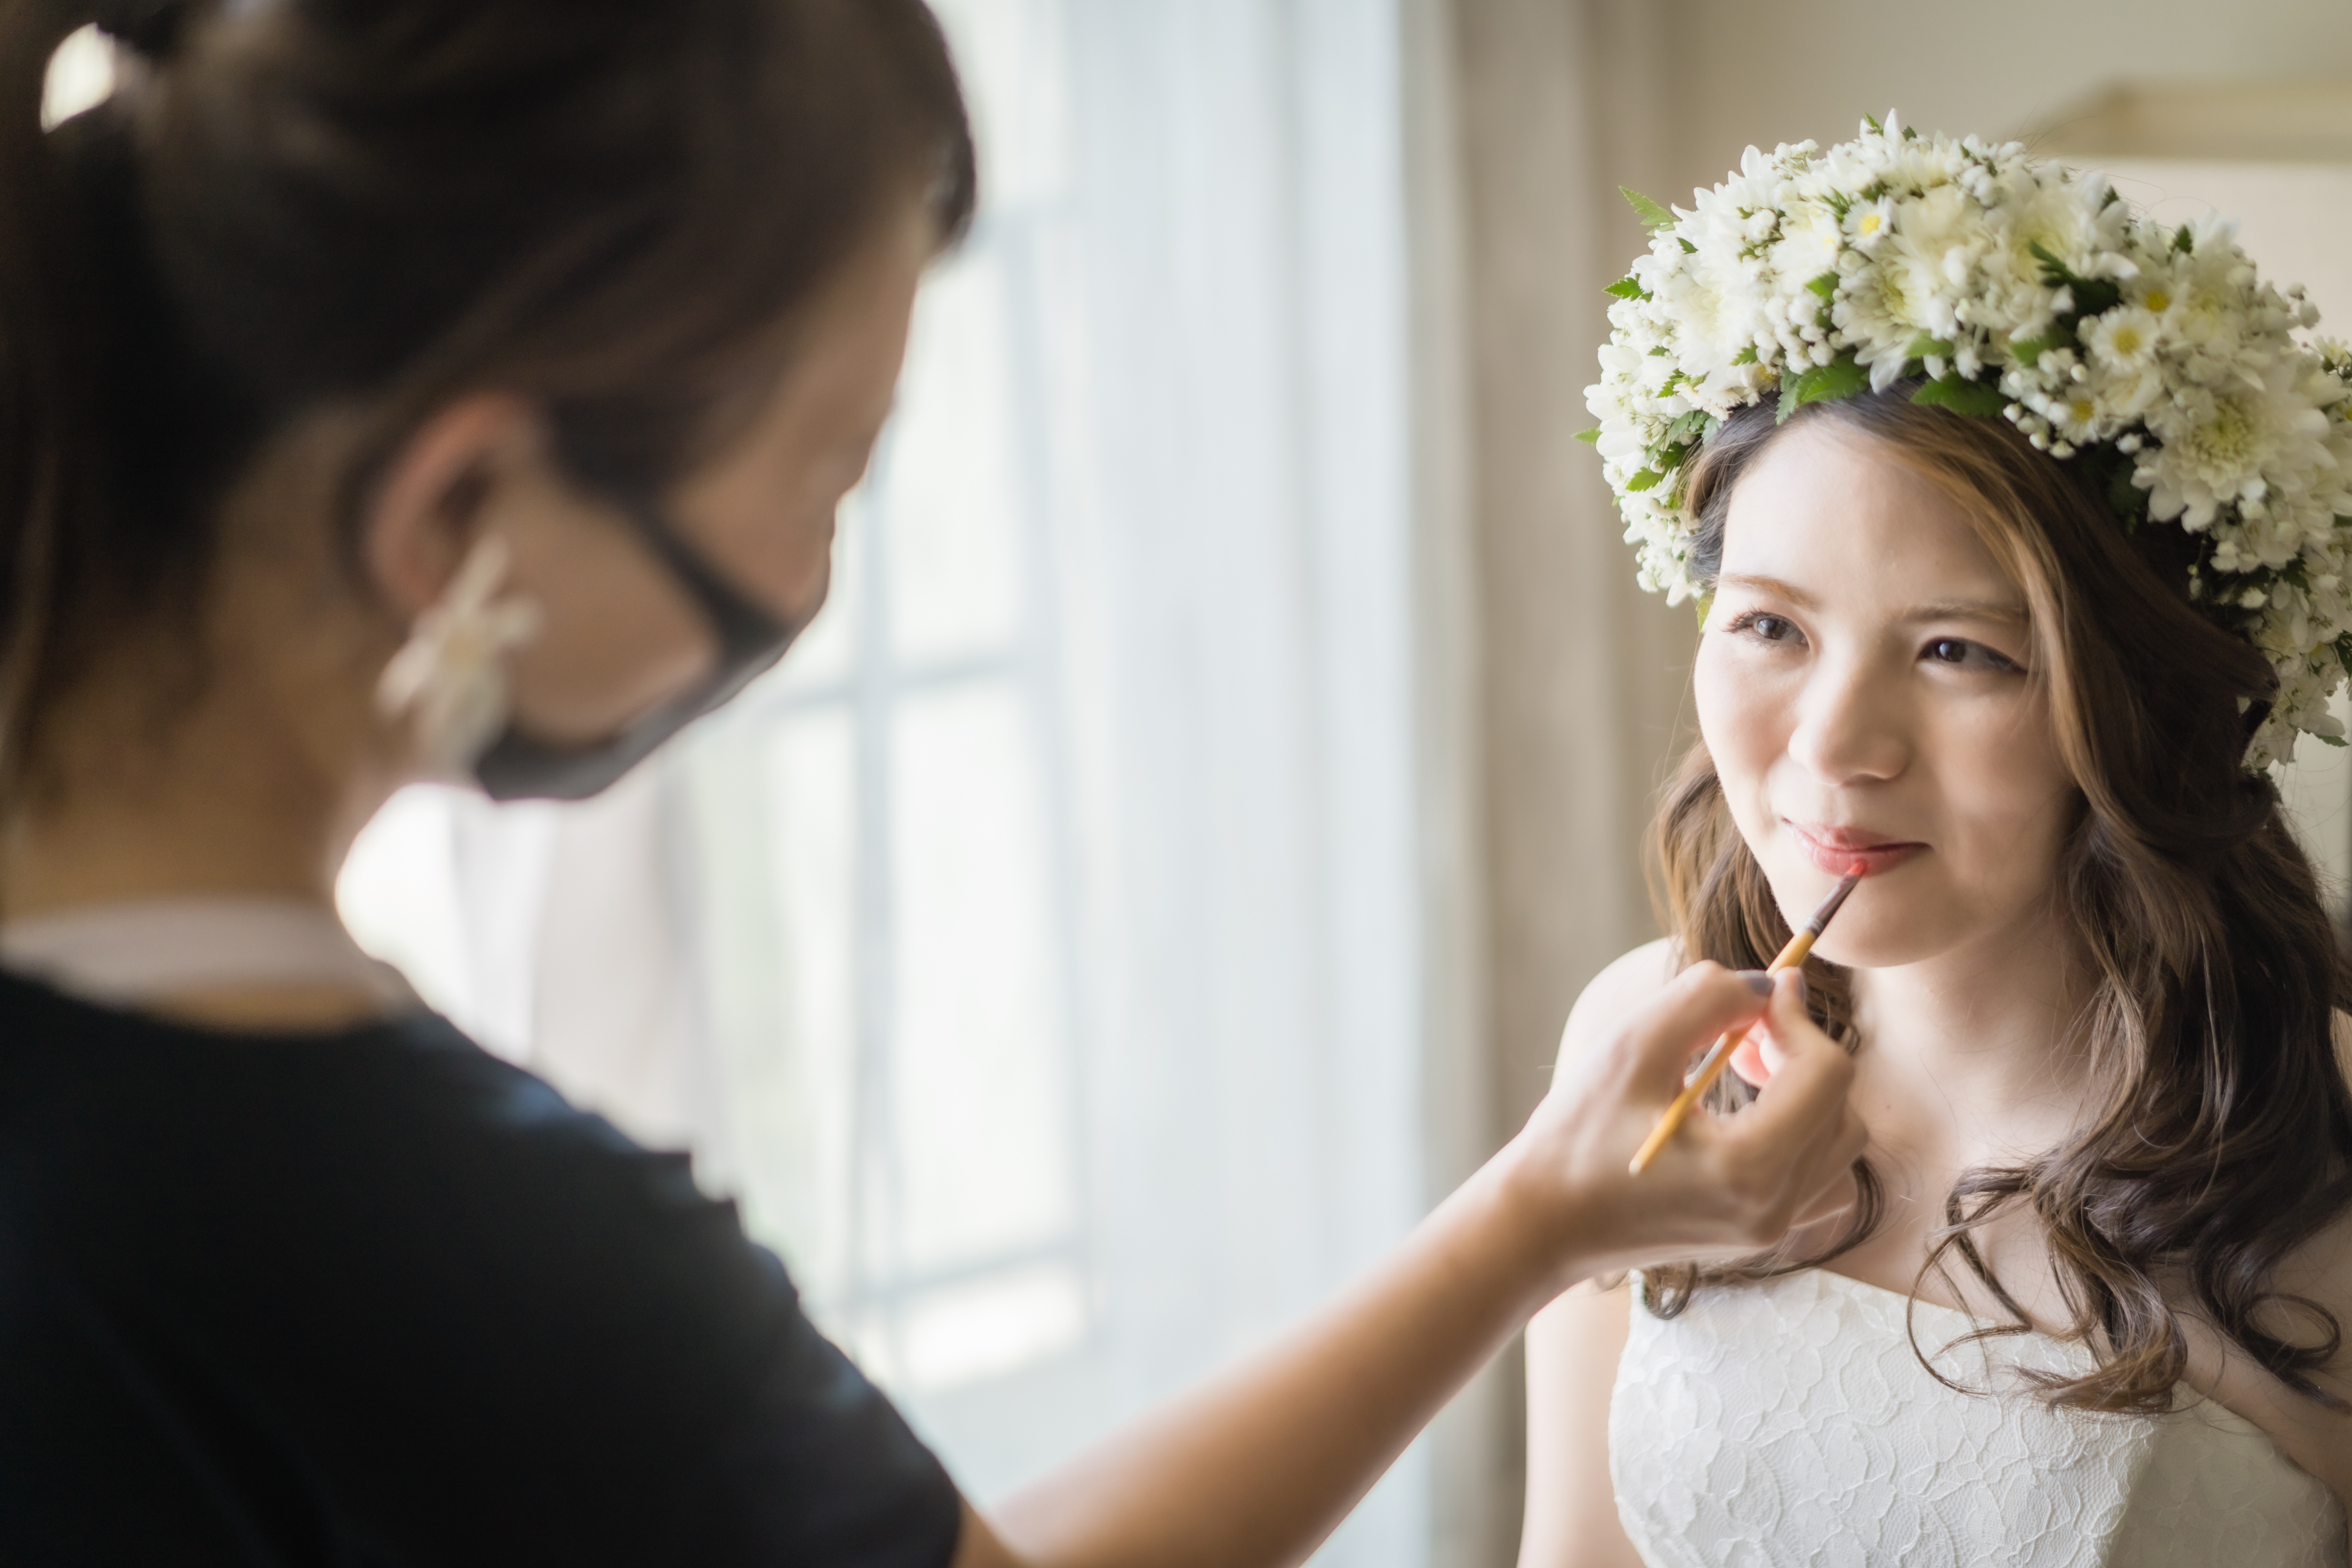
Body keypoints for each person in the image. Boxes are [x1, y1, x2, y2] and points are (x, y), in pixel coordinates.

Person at [0, 3, 1872, 1563]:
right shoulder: (457, 1258)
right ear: (458, 510)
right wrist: (1545, 1216)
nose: (813, 594)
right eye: (821, 481)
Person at [1523, 120, 2352, 1568]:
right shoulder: (1647, 1038)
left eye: (1961, 651)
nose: (1836, 745)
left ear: (2145, 693)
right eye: (1770, 625)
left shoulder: (2323, 1145)